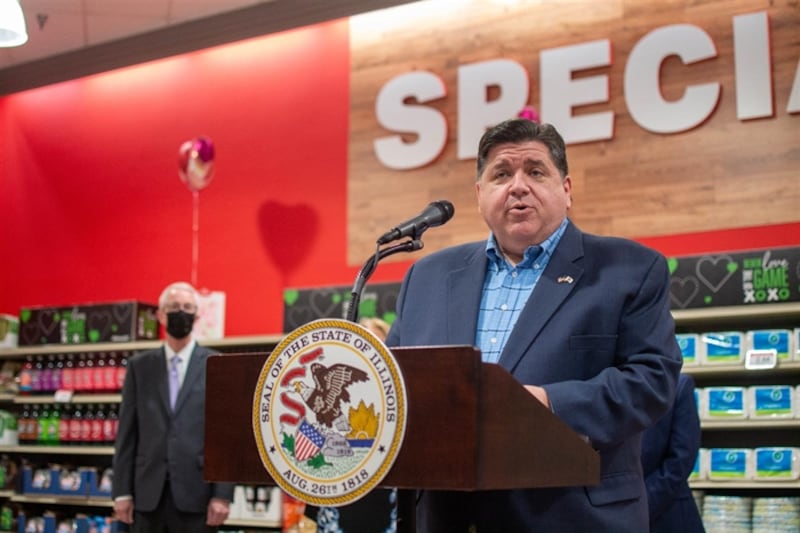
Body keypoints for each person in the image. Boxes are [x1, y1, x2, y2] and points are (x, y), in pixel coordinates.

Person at [384, 118, 683, 532]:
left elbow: (652, 381)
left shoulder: (630, 269)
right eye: (501, 174)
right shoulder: (428, 276)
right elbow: (395, 383)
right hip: (445, 516)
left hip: (573, 517)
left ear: (567, 189)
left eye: (536, 171)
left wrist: (543, 402)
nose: (518, 185)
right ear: (479, 194)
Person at [112, 281, 234, 532]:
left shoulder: (216, 365)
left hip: (197, 495)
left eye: (188, 307)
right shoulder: (139, 367)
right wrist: (121, 492)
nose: (181, 311)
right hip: (146, 496)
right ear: (160, 314)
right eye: (174, 306)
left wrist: (222, 494)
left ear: (197, 315)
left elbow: (224, 436)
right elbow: (127, 433)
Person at [641, 373, 705, 532]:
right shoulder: (602, 391)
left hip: (666, 515)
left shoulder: (678, 386)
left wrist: (639, 506)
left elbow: (681, 458)